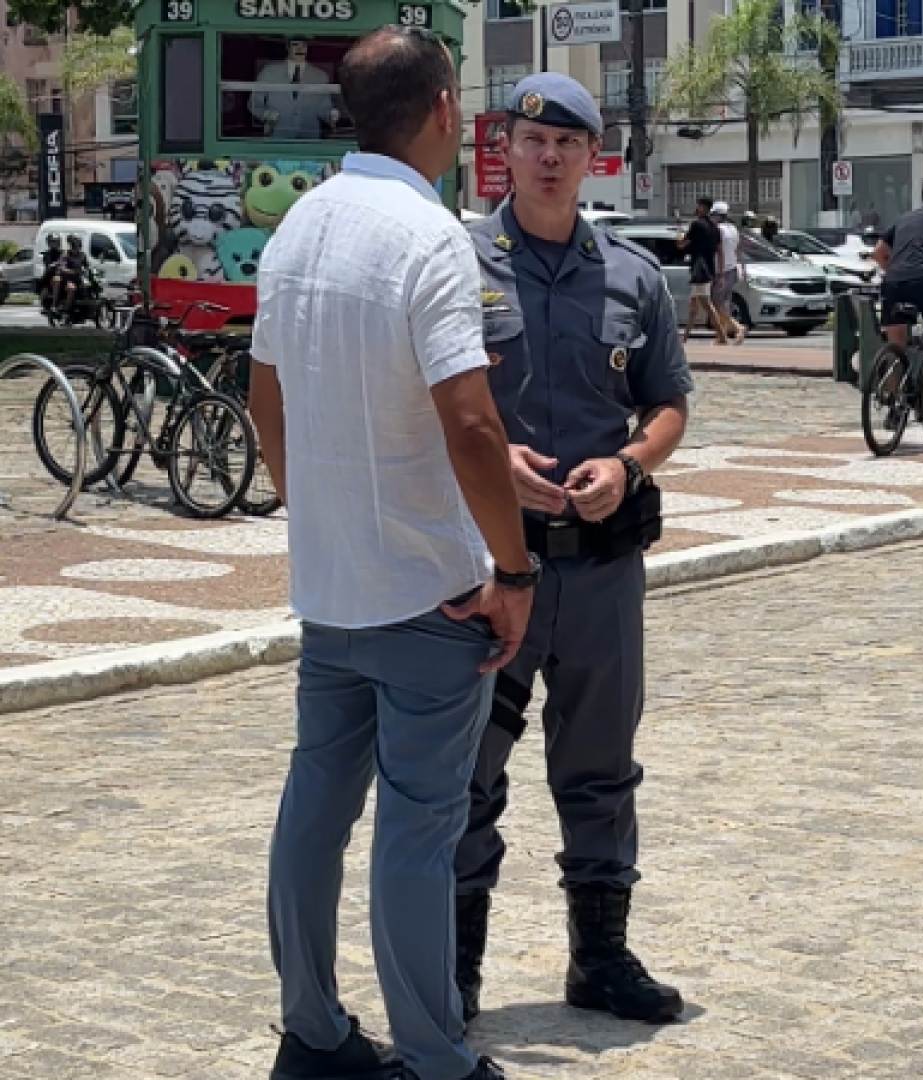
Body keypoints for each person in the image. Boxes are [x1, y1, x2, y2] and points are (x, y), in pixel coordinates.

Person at [248, 26, 533, 1080]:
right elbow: (471, 425)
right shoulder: (429, 237)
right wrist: (514, 573)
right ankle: (434, 1056)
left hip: (332, 587)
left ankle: (311, 1032)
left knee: (313, 808)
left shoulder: (298, 229)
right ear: (447, 111)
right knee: (418, 825)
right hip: (428, 588)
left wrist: (308, 505)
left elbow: (264, 395)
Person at [454, 72, 693, 1033]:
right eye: (531, 140)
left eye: (569, 144)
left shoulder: (632, 275)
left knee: (601, 767)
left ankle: (600, 958)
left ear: (593, 157)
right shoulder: (455, 260)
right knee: (469, 773)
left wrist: (629, 466)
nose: (549, 158)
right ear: (504, 149)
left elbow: (670, 400)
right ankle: (453, 968)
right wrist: (486, 454)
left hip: (600, 570)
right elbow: (420, 400)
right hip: (488, 565)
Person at [872, 175, 923, 349]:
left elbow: (878, 252)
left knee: (896, 347)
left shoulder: (903, 218)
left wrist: (895, 271)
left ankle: (893, 370)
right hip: (921, 278)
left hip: (891, 281)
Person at [677, 195, 740, 344]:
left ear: (703, 208)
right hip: (709, 269)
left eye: (697, 205)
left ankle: (723, 337)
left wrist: (679, 231)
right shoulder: (714, 228)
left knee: (707, 304)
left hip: (699, 270)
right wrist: (720, 273)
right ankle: (684, 338)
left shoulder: (696, 225)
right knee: (694, 305)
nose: (695, 208)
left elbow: (681, 244)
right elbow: (719, 251)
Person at [250, 38, 343, 140]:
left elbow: (323, 107)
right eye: (295, 45)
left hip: (309, 138)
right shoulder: (269, 72)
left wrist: (331, 115)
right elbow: (254, 103)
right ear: (287, 47)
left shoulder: (320, 76)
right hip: (277, 136)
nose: (300, 49)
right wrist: (266, 115)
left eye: (303, 45)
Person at [711, 201, 741, 336]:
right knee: (725, 301)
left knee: (716, 302)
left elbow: (719, 252)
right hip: (733, 269)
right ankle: (723, 332)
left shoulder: (718, 230)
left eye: (713, 215)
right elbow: (737, 250)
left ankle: (736, 327)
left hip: (721, 271)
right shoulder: (733, 229)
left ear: (717, 215)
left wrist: (721, 274)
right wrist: (741, 267)